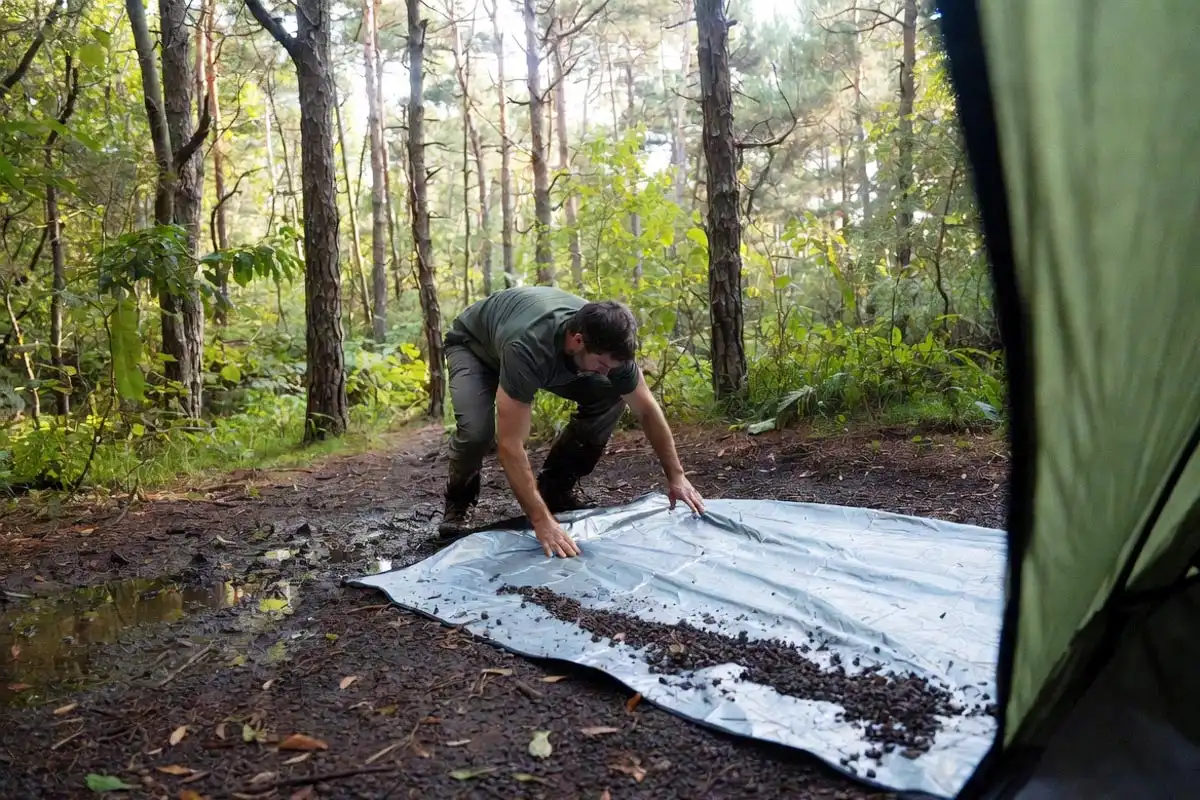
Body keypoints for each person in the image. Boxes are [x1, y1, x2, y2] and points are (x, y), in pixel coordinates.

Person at [438, 285, 706, 557]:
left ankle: (556, 488)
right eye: (602, 364)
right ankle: (459, 502)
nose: (607, 371)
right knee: (477, 433)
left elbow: (647, 410)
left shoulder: (609, 344)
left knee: (612, 392)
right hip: (475, 348)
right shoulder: (529, 346)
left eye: (613, 367)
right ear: (578, 341)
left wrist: (677, 476)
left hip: (538, 351)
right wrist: (542, 522)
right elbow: (510, 444)